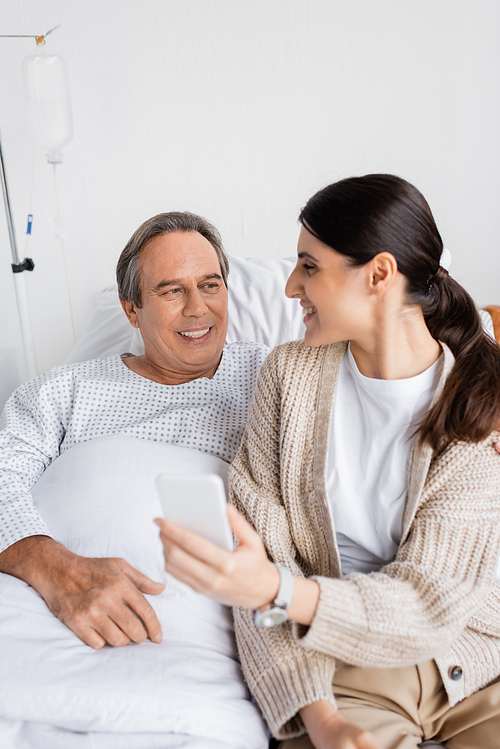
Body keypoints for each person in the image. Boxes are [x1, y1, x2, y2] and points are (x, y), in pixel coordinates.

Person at [157, 175, 500, 749]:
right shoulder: (288, 380)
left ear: (380, 275)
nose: (291, 286)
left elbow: (431, 604)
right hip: (347, 669)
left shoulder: (478, 404)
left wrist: (277, 591)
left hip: (480, 657)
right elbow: (265, 562)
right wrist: (320, 717)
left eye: (309, 266)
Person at [0, 210, 269, 650]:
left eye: (210, 284)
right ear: (131, 309)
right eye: (171, 291)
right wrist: (54, 569)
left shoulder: (271, 376)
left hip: (199, 624)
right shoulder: (62, 391)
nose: (198, 308)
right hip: (45, 604)